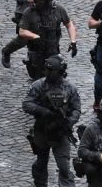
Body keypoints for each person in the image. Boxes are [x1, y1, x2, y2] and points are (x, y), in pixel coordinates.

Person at [22, 55, 81, 187]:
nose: (48, 73)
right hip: (42, 131)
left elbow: (76, 109)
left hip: (60, 133)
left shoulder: (70, 88)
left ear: (60, 71)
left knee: (64, 167)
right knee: (41, 163)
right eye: (47, 70)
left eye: (51, 71)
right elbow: (27, 104)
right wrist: (44, 111)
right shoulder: (38, 85)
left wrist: (69, 122)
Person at [19, 0, 78, 80]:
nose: (38, 1)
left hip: (53, 52)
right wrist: (34, 36)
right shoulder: (29, 12)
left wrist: (73, 41)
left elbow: (69, 25)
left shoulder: (58, 10)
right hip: (36, 53)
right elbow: (22, 31)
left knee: (57, 79)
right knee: (38, 81)